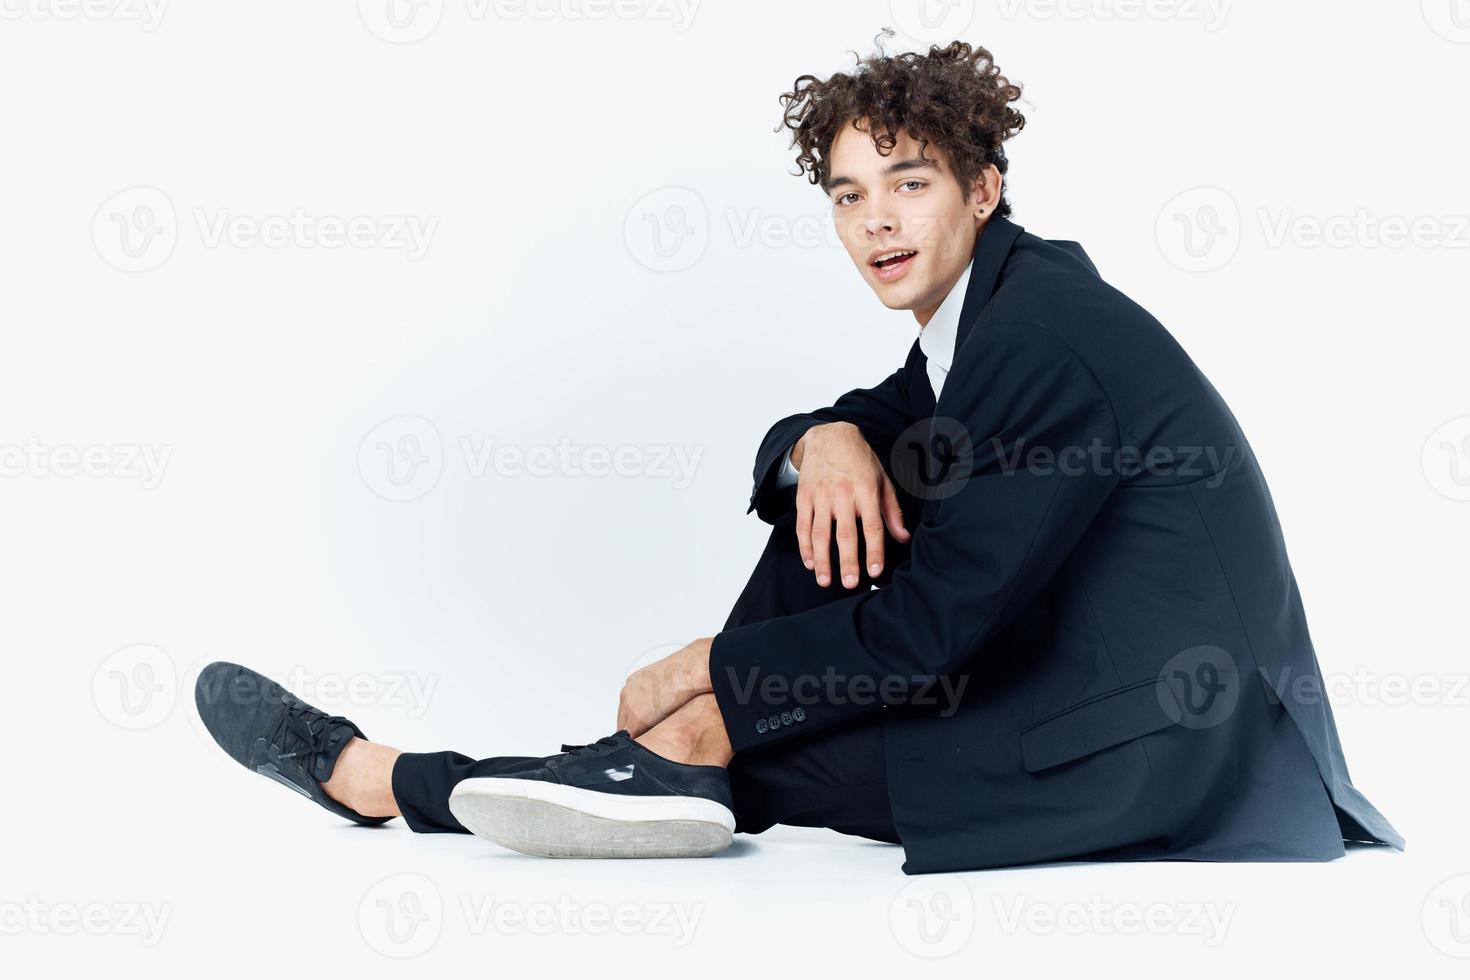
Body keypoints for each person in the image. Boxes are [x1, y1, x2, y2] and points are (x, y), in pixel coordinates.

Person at [195, 36, 1403, 872]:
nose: (874, 219)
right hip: (1093, 692)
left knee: (754, 721)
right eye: (845, 192)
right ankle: (656, 766)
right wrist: (819, 440)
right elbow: (872, 425)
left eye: (910, 181)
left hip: (1156, 747)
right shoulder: (998, 312)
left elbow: (931, 630)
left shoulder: (1044, 336)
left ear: (984, 186)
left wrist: (708, 665)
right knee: (839, 491)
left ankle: (391, 774)